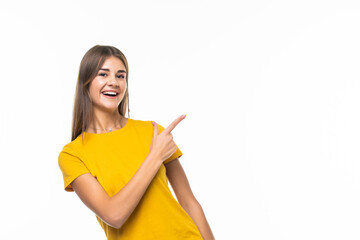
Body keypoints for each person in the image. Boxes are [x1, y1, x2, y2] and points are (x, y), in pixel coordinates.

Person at [58, 45, 215, 239]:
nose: (113, 82)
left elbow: (189, 201)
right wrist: (155, 156)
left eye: (120, 76)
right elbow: (113, 215)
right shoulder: (73, 154)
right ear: (86, 81)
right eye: (103, 74)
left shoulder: (152, 131)